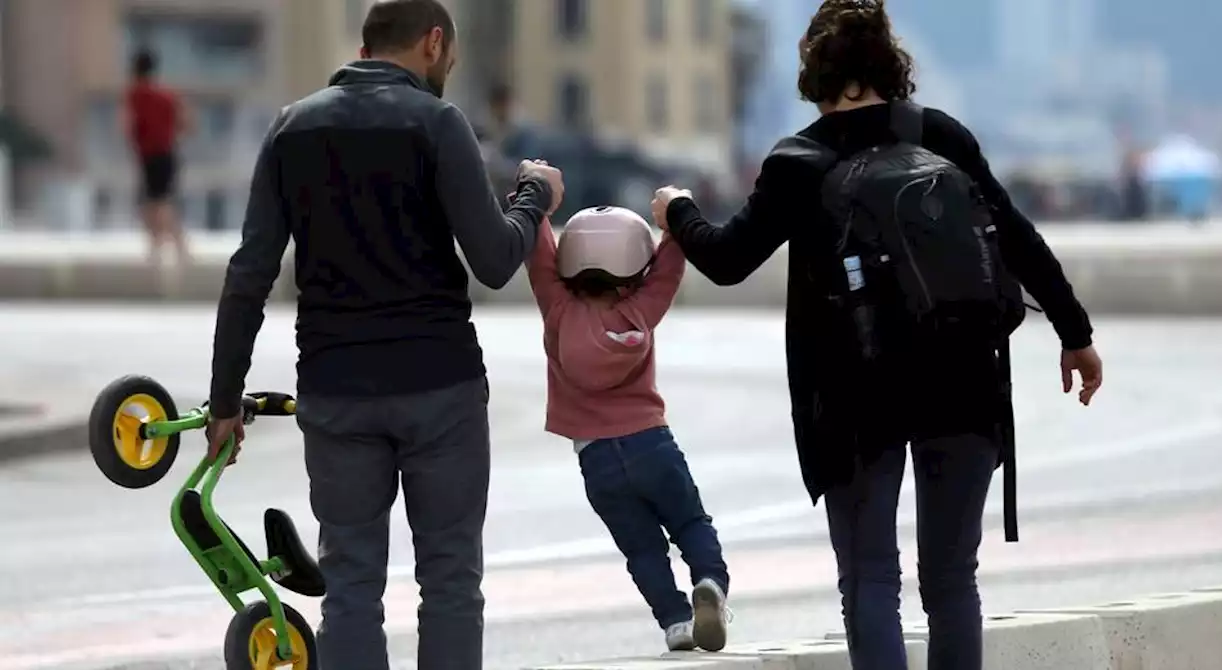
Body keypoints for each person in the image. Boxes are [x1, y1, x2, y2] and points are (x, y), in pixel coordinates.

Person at [651, 1, 1104, 669]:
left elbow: (725, 259)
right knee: (952, 580)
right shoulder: (941, 137)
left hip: (856, 390)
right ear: (891, 65)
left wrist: (676, 211)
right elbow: (1015, 237)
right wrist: (1075, 333)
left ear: (816, 70)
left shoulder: (798, 161)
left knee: (870, 577)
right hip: (964, 371)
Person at [203, 1, 564, 669]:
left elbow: (249, 273)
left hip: (337, 394)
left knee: (350, 589)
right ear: (433, 43)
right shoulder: (436, 122)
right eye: (449, 59)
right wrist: (533, 197)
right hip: (441, 389)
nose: (448, 70)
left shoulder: (292, 128)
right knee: (451, 581)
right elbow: (492, 258)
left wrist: (225, 399)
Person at [524, 204, 731, 652]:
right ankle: (710, 582)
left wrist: (537, 205)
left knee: (642, 550)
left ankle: (674, 622)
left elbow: (539, 261)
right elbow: (667, 274)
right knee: (690, 522)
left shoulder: (557, 311)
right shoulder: (640, 312)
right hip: (651, 443)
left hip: (596, 460)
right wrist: (672, 227)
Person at [123, 48, 190, 265]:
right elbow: (185, 123)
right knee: (163, 200)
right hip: (168, 153)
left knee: (154, 203)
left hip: (148, 155)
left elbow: (129, 126)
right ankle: (176, 248)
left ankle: (160, 247)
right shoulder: (167, 95)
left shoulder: (135, 95)